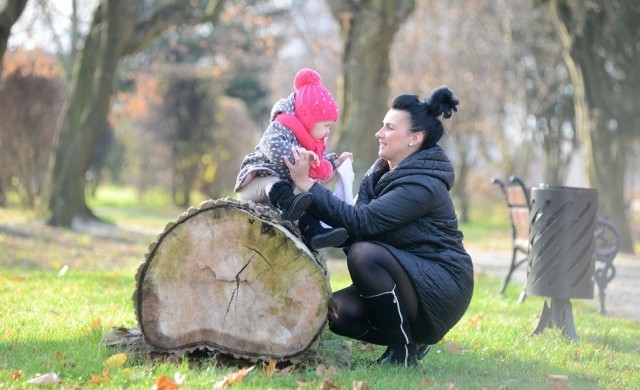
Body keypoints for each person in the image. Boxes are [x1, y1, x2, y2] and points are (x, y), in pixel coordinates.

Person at [285, 86, 474, 367]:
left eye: (389, 127)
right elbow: (351, 224)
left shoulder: (423, 186)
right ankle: (413, 341)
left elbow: (363, 222)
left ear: (415, 139)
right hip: (407, 274)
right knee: (338, 314)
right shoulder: (380, 174)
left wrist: (307, 185)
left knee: (364, 254)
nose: (379, 133)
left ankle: (403, 351)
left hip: (442, 284)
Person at [234, 68, 350, 249]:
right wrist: (301, 156)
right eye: (326, 126)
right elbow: (272, 146)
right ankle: (289, 204)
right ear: (308, 119)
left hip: (279, 199)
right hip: (254, 187)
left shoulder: (310, 142)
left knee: (303, 208)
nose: (328, 131)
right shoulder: (282, 125)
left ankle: (315, 234)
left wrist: (335, 163)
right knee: (272, 182)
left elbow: (316, 173)